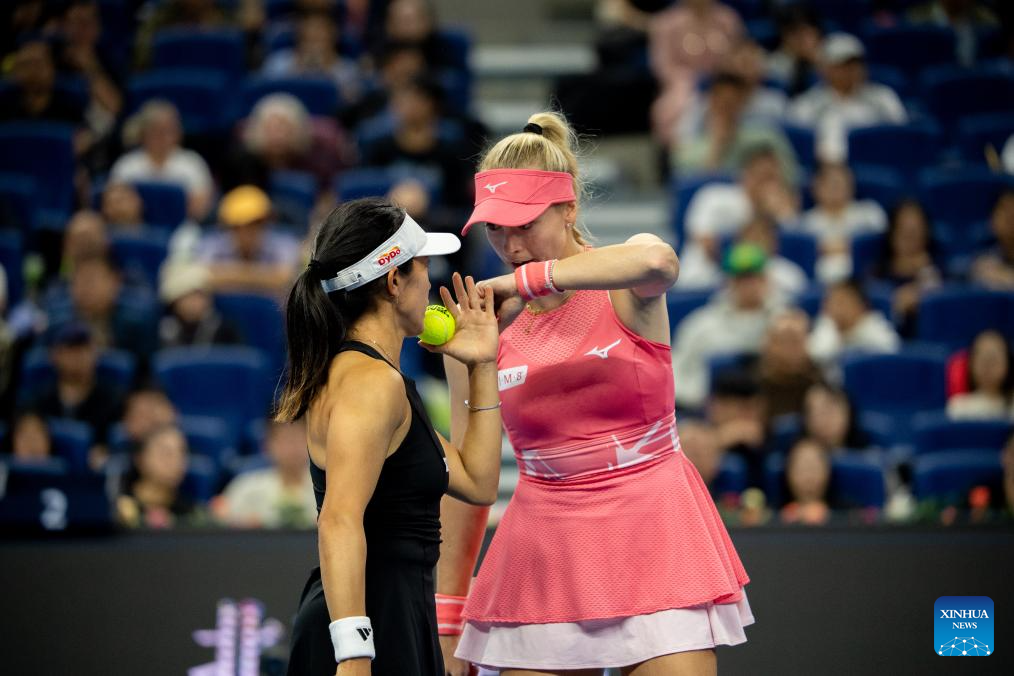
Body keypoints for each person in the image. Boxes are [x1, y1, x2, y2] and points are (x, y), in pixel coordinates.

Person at [440, 112, 752, 675]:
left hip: (655, 534)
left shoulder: (627, 281)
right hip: (543, 550)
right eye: (495, 229)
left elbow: (659, 260)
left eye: (525, 223)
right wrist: (448, 618)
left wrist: (531, 281)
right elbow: (469, 483)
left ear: (568, 208)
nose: (510, 245)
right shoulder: (483, 330)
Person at [275, 198, 503, 675]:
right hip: (371, 624)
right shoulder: (371, 384)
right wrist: (354, 654)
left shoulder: (378, 380)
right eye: (423, 268)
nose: (431, 283)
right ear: (394, 281)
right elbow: (338, 519)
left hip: (395, 614)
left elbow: (478, 482)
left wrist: (482, 365)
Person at [788, 33, 907, 163]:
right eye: (842, 65)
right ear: (824, 68)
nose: (851, 70)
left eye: (856, 63)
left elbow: (901, 137)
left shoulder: (884, 97)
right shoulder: (806, 103)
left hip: (878, 163)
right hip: (825, 169)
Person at [216, 420, 318, 529]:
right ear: (268, 445)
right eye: (286, 440)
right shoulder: (246, 487)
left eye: (299, 439)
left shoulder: (327, 489)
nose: (293, 447)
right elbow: (219, 515)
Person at [946, 330, 1014, 420]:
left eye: (993, 359)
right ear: (970, 364)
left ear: (1008, 363)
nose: (988, 367)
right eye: (982, 360)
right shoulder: (958, 407)